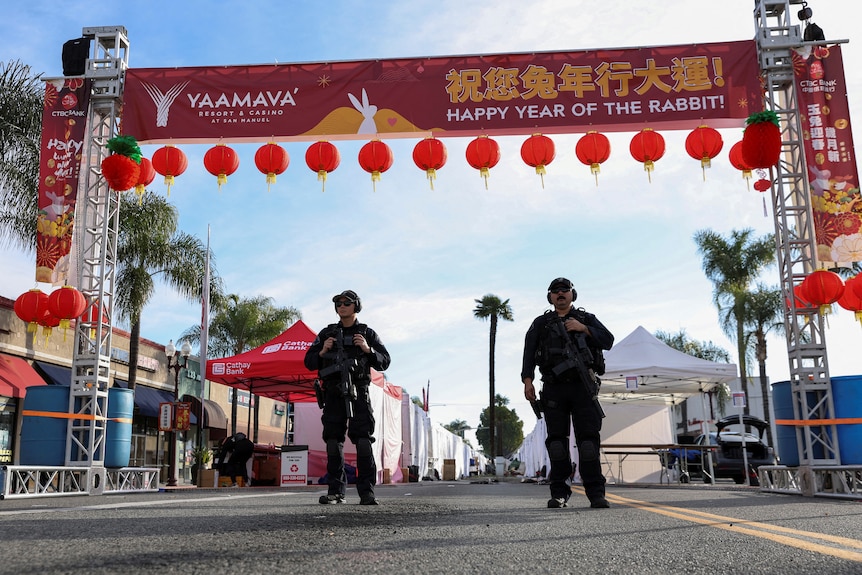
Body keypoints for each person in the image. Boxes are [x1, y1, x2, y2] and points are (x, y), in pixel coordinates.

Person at [521, 277, 614, 509]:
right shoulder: (541, 323)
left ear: (573, 294)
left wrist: (584, 329)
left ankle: (595, 493)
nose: (560, 293)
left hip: (583, 387)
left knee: (588, 443)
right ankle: (560, 493)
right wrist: (527, 380)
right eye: (555, 291)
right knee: (556, 444)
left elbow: (609, 340)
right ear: (550, 297)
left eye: (565, 290)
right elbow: (529, 353)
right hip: (554, 388)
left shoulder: (586, 319)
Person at [304, 290, 391, 505]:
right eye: (338, 303)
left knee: (362, 441)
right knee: (333, 441)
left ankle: (367, 492)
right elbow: (309, 361)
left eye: (346, 303)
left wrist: (368, 349)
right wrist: (322, 352)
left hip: (358, 392)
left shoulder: (366, 333)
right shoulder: (327, 333)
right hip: (333, 392)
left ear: (356, 306)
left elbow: (385, 360)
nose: (341, 306)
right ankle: (335, 491)